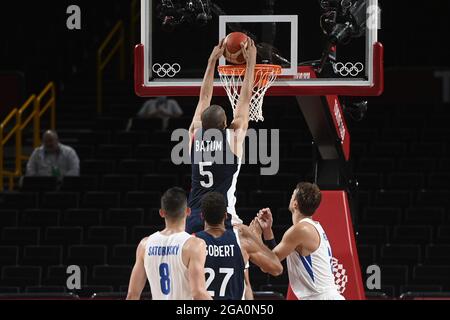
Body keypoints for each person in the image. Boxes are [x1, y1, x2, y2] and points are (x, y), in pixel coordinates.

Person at [187, 37, 257, 234]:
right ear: (225, 124)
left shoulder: (194, 133)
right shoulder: (233, 137)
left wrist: (211, 62)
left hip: (194, 216)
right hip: (222, 217)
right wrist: (251, 62)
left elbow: (203, 98)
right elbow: (245, 99)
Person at [252, 182, 345, 301]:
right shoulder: (311, 227)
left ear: (295, 204)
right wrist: (267, 231)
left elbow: (268, 266)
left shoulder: (300, 230)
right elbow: (274, 260)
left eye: (292, 195)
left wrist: (255, 236)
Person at [126, 188, 211, 300]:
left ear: (162, 212)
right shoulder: (194, 245)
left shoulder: (144, 245)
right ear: (188, 211)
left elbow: (132, 295)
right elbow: (198, 293)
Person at [195, 193, 283, 300]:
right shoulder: (241, 241)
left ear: (202, 216)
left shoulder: (192, 243)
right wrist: (255, 236)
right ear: (226, 215)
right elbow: (277, 268)